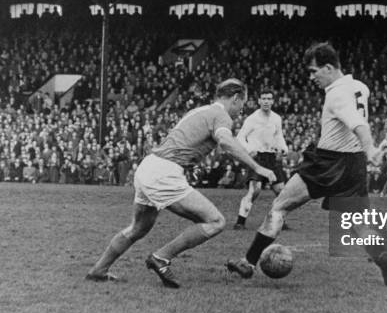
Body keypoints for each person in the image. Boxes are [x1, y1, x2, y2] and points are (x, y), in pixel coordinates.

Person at [226, 43, 387, 287]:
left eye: (314, 71)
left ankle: (248, 262)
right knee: (358, 224)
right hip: (354, 166)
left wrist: (370, 146)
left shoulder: (335, 94)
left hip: (328, 161)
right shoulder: (361, 87)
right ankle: (383, 259)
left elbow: (358, 124)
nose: (311, 77)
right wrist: (365, 150)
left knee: (279, 206)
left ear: (328, 68)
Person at [86, 79, 276, 287]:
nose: (242, 110)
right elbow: (225, 141)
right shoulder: (221, 116)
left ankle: (98, 270)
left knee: (138, 228)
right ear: (236, 98)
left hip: (149, 167)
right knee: (215, 221)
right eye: (243, 104)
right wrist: (257, 167)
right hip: (164, 173)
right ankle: (161, 258)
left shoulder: (200, 111)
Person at [233, 87, 289, 230]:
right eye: (263, 99)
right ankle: (240, 222)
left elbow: (278, 136)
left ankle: (278, 220)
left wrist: (283, 148)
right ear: (259, 101)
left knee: (280, 191)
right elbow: (240, 137)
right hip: (258, 157)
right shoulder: (252, 119)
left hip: (271, 158)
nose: (266, 101)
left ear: (273, 101)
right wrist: (249, 150)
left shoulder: (277, 118)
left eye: (269, 99)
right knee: (255, 190)